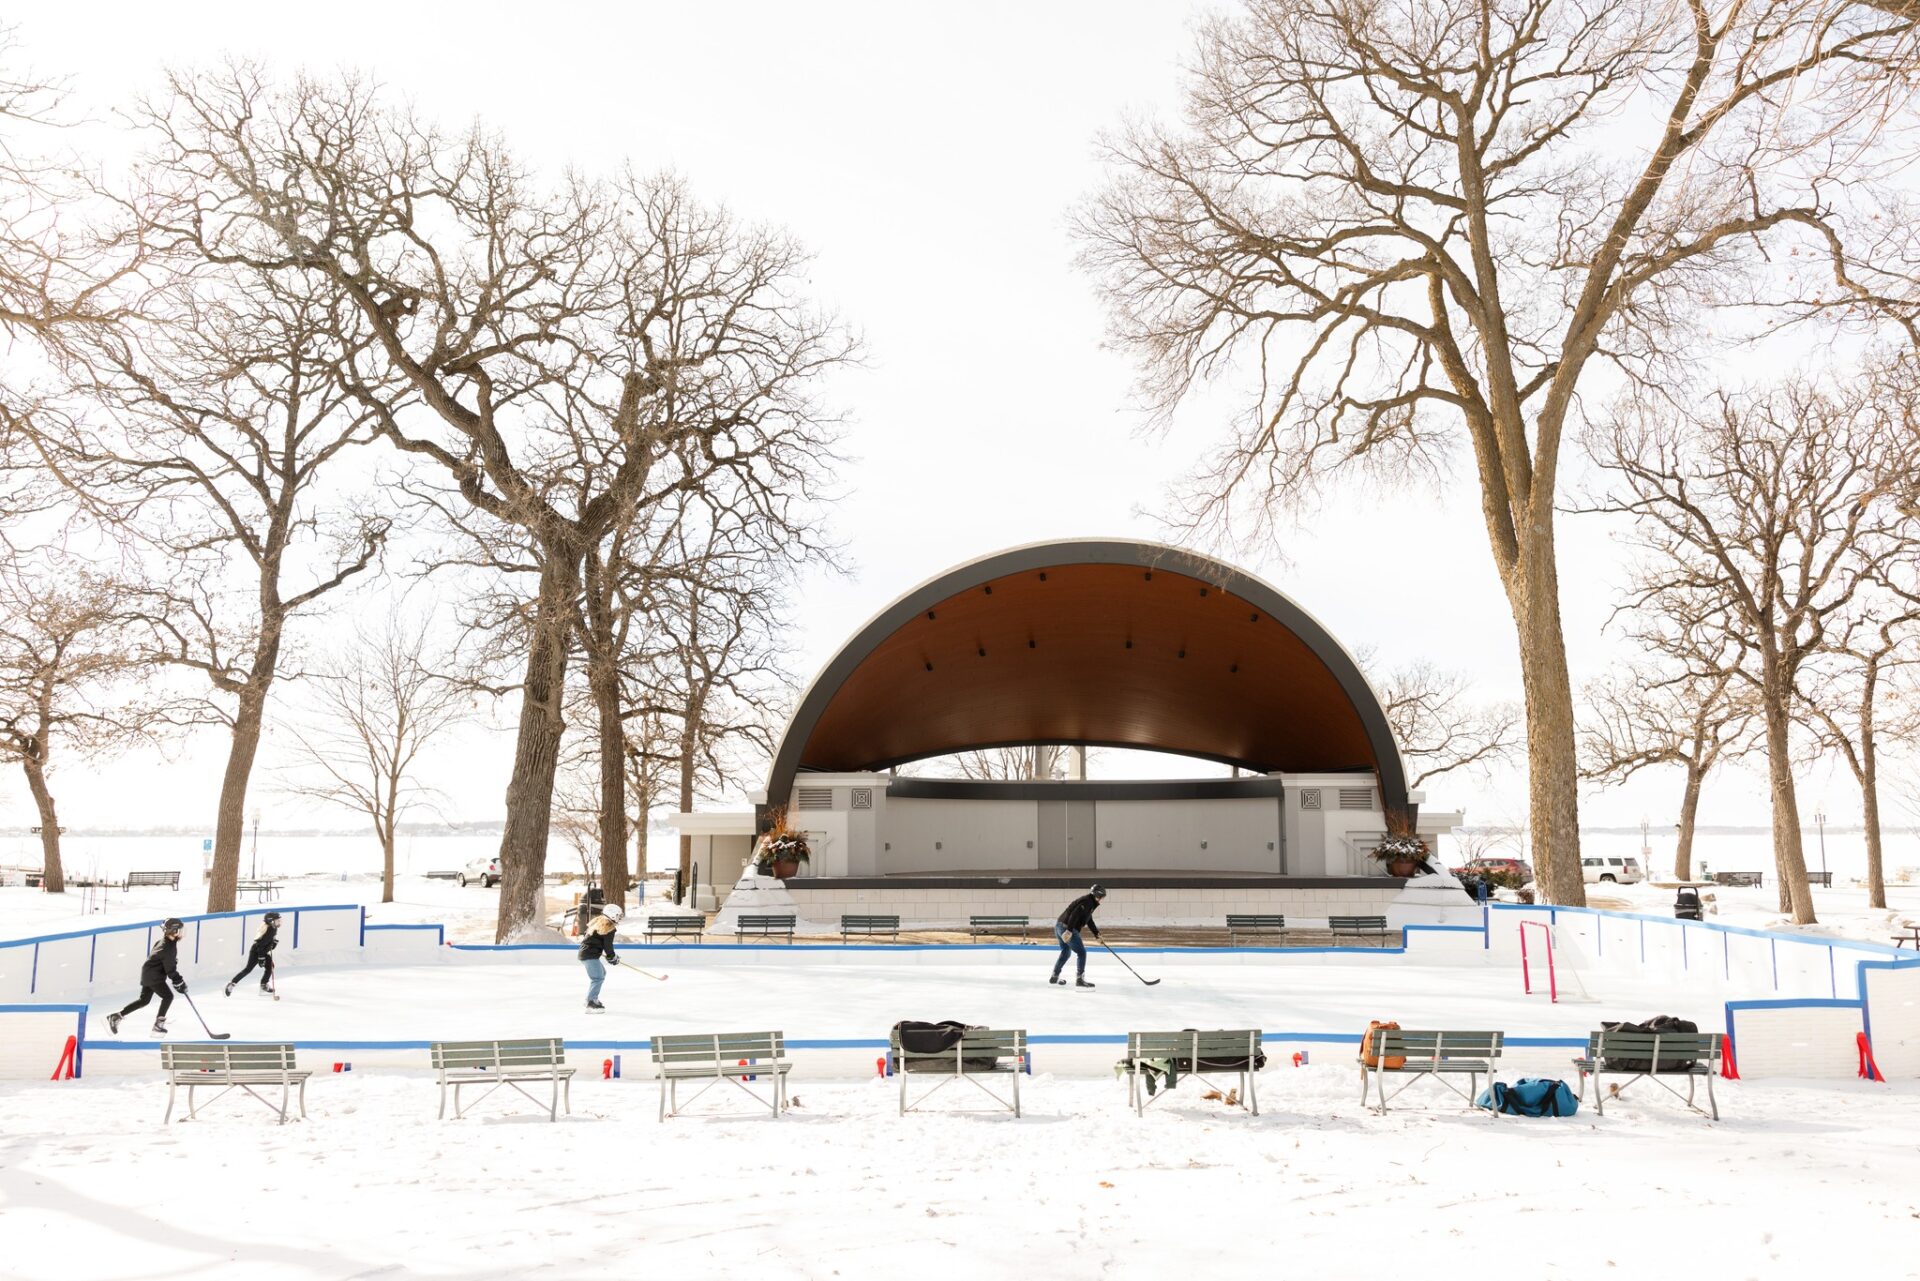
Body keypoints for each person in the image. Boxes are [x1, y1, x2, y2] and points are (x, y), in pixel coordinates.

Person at [106, 917, 187, 1035]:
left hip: (149, 973)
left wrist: (172, 963)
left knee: (144, 1001)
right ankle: (158, 1025)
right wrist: (179, 981)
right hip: (154, 976)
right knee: (168, 997)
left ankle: (116, 1016)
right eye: (179, 930)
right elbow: (170, 969)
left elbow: (161, 959)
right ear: (173, 931)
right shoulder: (168, 948)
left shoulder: (163, 942)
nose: (181, 933)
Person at [1050, 884, 1106, 987]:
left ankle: (1055, 976)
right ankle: (1080, 979)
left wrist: (1097, 935)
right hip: (1066, 928)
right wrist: (1069, 931)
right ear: (1098, 895)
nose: (1102, 899)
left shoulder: (1090, 902)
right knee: (1081, 953)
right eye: (1102, 897)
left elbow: (1089, 920)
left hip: (1059, 926)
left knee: (1066, 952)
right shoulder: (1087, 902)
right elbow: (1074, 915)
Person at [578, 903, 623, 1011]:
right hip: (589, 955)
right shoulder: (609, 927)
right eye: (618, 916)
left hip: (586, 954)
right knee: (597, 978)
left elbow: (588, 938)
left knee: (601, 973)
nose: (619, 918)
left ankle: (592, 999)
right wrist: (612, 957)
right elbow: (608, 946)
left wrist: (607, 955)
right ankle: (590, 1001)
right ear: (612, 915)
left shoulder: (597, 922)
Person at [226, 911, 281, 996]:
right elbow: (260, 945)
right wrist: (261, 958)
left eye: (279, 920)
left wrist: (273, 943)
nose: (279, 922)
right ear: (271, 921)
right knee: (248, 969)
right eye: (277, 920)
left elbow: (268, 946)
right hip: (256, 952)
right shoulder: (269, 929)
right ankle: (232, 984)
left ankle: (263, 985)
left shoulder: (273, 928)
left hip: (263, 952)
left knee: (270, 967)